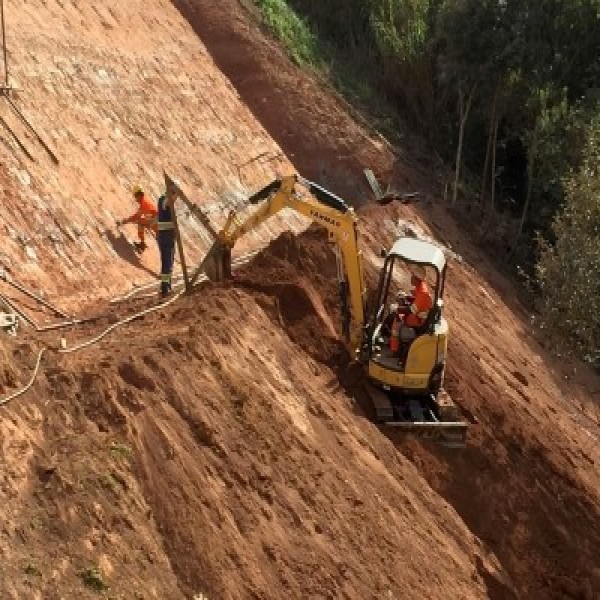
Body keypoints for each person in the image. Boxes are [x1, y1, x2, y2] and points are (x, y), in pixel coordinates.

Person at [388, 264, 433, 365]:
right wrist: (406, 297)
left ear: (417, 278)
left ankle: (394, 350)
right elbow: (415, 300)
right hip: (418, 316)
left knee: (397, 322)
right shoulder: (420, 287)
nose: (411, 277)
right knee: (398, 314)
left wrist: (398, 309)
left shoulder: (423, 293)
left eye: (413, 276)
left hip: (418, 321)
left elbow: (411, 310)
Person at [117, 185, 158, 253]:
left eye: (135, 196)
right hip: (156, 223)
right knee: (141, 223)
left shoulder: (144, 203)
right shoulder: (144, 202)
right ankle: (142, 243)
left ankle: (142, 243)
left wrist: (125, 221)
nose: (135, 199)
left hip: (158, 224)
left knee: (141, 222)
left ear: (139, 195)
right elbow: (139, 216)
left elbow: (139, 217)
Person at [155, 192, 176, 297]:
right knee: (167, 262)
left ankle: (167, 286)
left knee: (168, 262)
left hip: (166, 236)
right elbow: (169, 201)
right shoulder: (164, 200)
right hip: (166, 236)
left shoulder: (163, 200)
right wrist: (174, 194)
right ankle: (165, 288)